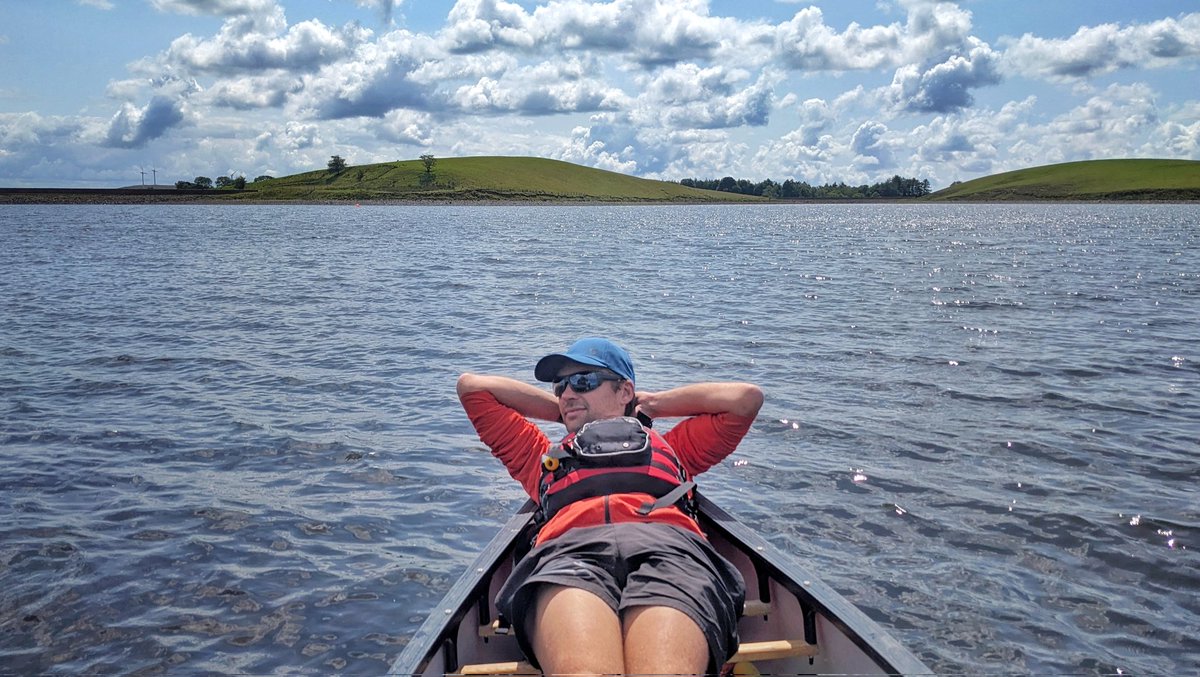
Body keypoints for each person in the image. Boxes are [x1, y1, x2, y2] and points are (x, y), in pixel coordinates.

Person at [456, 337, 763, 676]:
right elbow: (473, 388)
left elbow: (745, 400)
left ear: (624, 391)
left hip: (669, 549)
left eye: (584, 381)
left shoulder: (674, 448)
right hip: (570, 555)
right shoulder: (541, 459)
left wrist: (653, 405)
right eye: (561, 387)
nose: (568, 393)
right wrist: (569, 412)